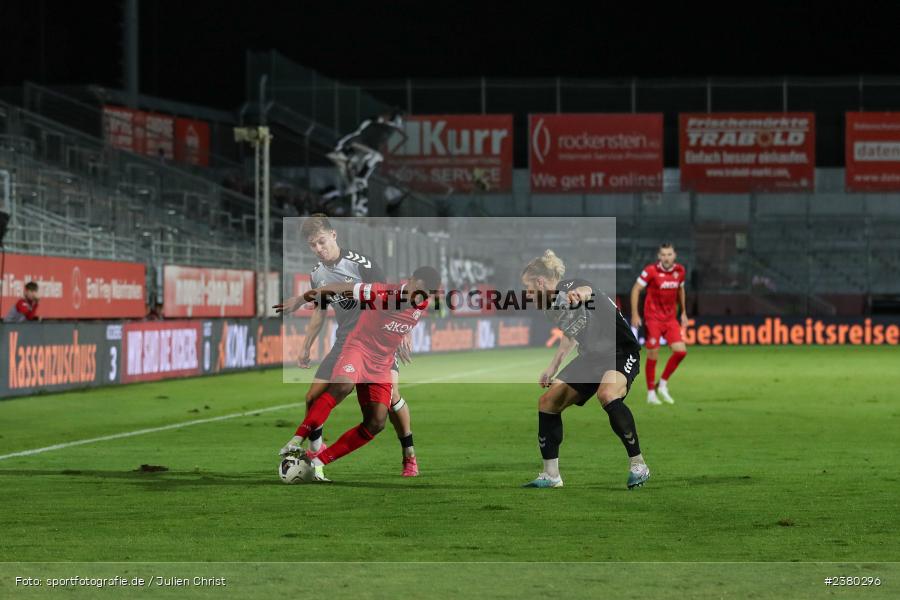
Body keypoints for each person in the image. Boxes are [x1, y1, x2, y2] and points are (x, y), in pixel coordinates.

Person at [276, 266, 441, 474]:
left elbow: (403, 319)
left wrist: (404, 335)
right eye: (418, 290)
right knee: (342, 385)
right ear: (409, 280)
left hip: (382, 361)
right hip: (359, 348)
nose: (419, 297)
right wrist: (301, 299)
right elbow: (335, 288)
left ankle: (318, 463)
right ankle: (296, 440)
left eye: (425, 294)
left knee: (376, 422)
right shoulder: (380, 292)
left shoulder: (422, 302)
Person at [294, 214, 419, 479]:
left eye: (321, 242)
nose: (318, 249)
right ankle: (316, 451)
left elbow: (391, 297)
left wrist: (403, 330)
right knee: (312, 397)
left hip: (377, 340)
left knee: (392, 396)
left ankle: (409, 454)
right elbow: (320, 311)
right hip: (346, 341)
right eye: (312, 245)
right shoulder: (316, 275)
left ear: (334, 235)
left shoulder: (362, 264)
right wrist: (306, 345)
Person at [521, 250, 649, 490]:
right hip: (591, 358)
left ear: (540, 282)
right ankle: (551, 475)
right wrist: (553, 366)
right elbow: (571, 334)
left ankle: (638, 464)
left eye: (528, 289)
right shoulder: (550, 307)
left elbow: (587, 291)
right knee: (547, 403)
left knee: (607, 394)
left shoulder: (569, 286)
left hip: (620, 351)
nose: (528, 295)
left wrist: (578, 295)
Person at [629, 243, 689, 406]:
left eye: (669, 254)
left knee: (681, 352)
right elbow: (636, 289)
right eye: (663, 254)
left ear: (674, 255)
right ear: (659, 256)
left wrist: (683, 312)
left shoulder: (680, 271)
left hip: (670, 319)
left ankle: (662, 385)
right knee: (652, 354)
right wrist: (635, 313)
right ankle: (650, 394)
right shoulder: (651, 271)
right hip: (653, 318)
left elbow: (680, 290)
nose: (666, 257)